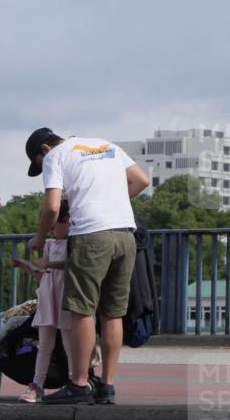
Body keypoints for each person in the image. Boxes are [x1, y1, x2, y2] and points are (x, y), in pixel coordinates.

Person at [25, 128, 149, 404]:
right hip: (124, 235)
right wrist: (110, 205)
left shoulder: (54, 156)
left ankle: (79, 383)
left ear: (44, 150)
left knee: (82, 310)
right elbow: (142, 180)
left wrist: (40, 236)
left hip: (91, 236)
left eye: (37, 163)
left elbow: (52, 208)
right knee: (112, 314)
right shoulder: (105, 144)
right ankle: (107, 386)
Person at [10, 200, 74, 402]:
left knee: (69, 342)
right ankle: (37, 384)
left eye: (53, 227)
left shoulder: (75, 243)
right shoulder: (50, 244)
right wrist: (27, 267)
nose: (51, 232)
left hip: (64, 295)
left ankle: (75, 381)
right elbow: (44, 273)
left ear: (67, 222)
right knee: (45, 343)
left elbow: (72, 265)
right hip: (48, 296)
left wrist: (49, 264)